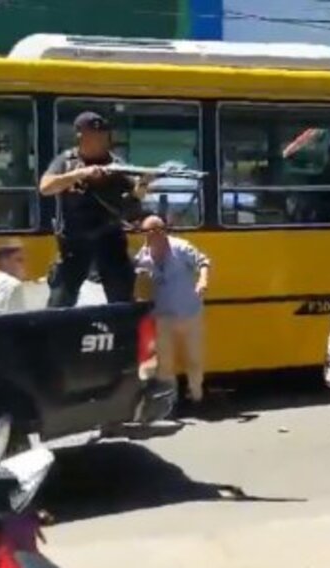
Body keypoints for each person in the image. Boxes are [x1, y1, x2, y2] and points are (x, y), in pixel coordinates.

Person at [40, 111, 152, 307]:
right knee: (60, 302)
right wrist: (80, 173)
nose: (99, 140)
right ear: (79, 136)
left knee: (122, 300)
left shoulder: (116, 165)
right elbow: (46, 187)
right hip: (74, 243)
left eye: (102, 136)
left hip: (109, 240)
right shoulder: (67, 161)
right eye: (93, 135)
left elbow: (131, 202)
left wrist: (142, 185)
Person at [134, 215, 211, 404]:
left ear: (161, 231)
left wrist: (203, 280)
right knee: (164, 363)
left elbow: (204, 262)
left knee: (193, 359)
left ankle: (197, 396)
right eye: (144, 232)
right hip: (162, 317)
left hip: (189, 313)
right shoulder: (143, 256)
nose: (147, 237)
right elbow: (134, 276)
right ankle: (169, 402)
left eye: (151, 232)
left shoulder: (181, 248)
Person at [0, 241, 26, 315]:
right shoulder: (14, 284)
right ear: (4, 261)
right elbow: (17, 320)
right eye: (19, 260)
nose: (23, 265)